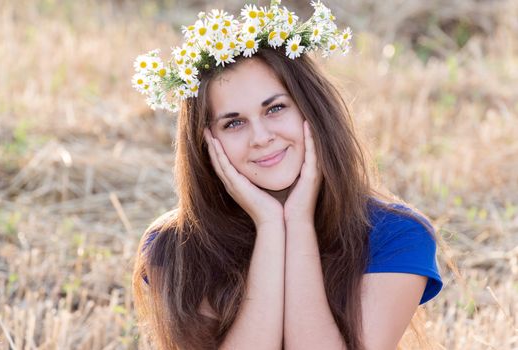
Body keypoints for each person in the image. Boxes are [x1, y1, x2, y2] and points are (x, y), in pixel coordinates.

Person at [131, 1, 444, 349]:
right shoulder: (176, 247)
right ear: (206, 142)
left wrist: (298, 223)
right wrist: (269, 226)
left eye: (275, 108)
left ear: (313, 110)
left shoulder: (396, 236)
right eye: (233, 122)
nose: (261, 137)